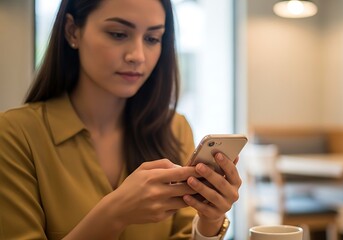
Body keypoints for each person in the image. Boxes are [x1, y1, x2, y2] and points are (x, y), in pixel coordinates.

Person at [0, 0, 241, 239]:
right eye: (118, 34)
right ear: (72, 31)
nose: (137, 56)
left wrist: (210, 221)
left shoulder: (174, 128)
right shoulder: (15, 135)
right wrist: (114, 213)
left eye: (152, 39)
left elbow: (185, 233)